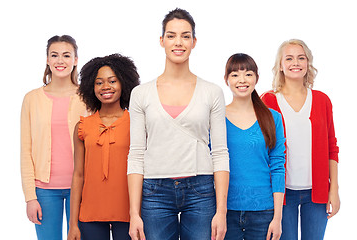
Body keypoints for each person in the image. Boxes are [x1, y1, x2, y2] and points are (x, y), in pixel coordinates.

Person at [127, 8, 229, 240]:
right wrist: (134, 213)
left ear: (194, 41)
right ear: (161, 41)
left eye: (185, 36)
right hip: (154, 191)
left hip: (201, 190)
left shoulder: (212, 92)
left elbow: (221, 152)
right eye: (171, 35)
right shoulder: (140, 94)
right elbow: (136, 154)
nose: (178, 42)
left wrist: (221, 212)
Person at [261, 39, 340, 240]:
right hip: (281, 194)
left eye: (301, 58)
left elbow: (332, 147)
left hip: (317, 193)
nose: (295, 63)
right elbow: (262, 149)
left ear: (307, 63)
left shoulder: (322, 100)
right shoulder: (268, 100)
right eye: (289, 58)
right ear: (280, 65)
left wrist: (334, 189)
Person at [67, 54, 140, 240]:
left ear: (124, 83)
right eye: (99, 82)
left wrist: (138, 214)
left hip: (128, 213)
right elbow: (78, 175)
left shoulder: (137, 124)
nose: (105, 87)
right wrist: (73, 224)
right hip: (90, 213)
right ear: (91, 87)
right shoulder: (82, 126)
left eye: (112, 81)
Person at [20, 35, 86, 240]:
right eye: (54, 55)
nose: (60, 61)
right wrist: (30, 197)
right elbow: (26, 151)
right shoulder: (32, 99)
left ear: (75, 60)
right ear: (47, 59)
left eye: (66, 55)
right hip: (44, 190)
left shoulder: (87, 97)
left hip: (82, 187)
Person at [223, 53, 285, 240]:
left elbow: (278, 167)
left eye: (248, 74)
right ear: (226, 80)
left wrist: (277, 218)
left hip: (264, 211)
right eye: (235, 75)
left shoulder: (272, 117)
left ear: (256, 78)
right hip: (226, 211)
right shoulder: (216, 118)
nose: (242, 80)